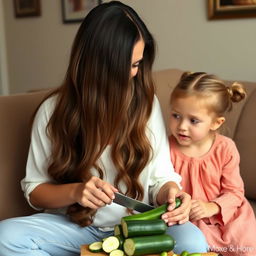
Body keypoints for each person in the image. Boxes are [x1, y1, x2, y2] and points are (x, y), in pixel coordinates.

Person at [0, 2, 208, 255]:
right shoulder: (53, 111)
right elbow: (35, 191)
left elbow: (161, 177)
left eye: (136, 64)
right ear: (94, 64)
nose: (131, 76)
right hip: (74, 227)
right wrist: (76, 191)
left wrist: (172, 194)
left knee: (193, 242)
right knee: (6, 237)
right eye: (122, 66)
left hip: (138, 227)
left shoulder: (145, 103)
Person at [169, 71, 256, 256]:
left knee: (244, 243)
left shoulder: (225, 148)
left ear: (216, 123)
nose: (182, 126)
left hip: (226, 213)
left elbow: (234, 192)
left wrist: (211, 207)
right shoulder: (166, 148)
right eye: (176, 115)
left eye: (193, 120)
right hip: (189, 216)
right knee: (193, 244)